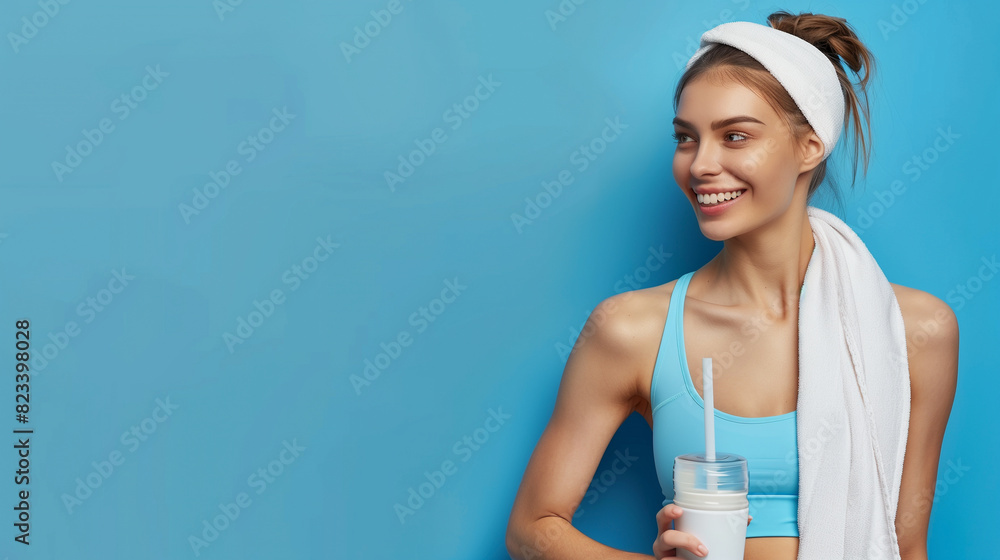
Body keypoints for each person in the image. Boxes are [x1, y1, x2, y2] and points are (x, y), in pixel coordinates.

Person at [505, 10, 958, 560]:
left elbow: (906, 543)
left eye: (735, 136)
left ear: (811, 146)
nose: (702, 165)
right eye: (686, 138)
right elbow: (531, 529)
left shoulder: (914, 331)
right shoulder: (631, 330)